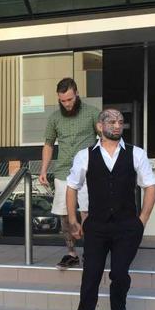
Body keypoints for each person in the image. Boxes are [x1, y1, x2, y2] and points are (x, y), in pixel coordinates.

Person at [66, 109, 155, 310]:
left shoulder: (136, 154)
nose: (117, 125)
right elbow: (72, 187)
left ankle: (119, 307)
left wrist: (142, 220)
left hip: (127, 226)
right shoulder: (84, 156)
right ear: (99, 127)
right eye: (111, 122)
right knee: (90, 278)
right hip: (96, 226)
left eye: (120, 122)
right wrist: (73, 220)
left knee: (119, 273)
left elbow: (150, 186)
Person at [39, 77, 99, 270]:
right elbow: (48, 144)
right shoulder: (54, 118)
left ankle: (90, 252)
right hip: (64, 171)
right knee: (64, 214)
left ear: (77, 94)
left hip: (88, 171)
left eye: (70, 99)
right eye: (62, 100)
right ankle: (71, 253)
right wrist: (43, 170)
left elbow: (105, 138)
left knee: (87, 211)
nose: (66, 104)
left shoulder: (92, 113)